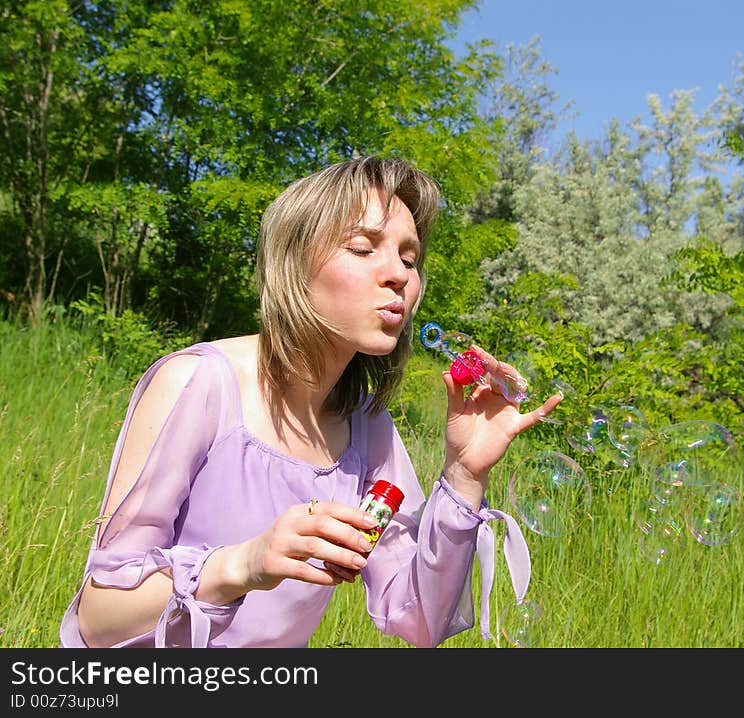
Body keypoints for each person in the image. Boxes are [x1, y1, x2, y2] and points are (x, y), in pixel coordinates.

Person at [59, 156, 561, 648]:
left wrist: (464, 476)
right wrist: (243, 564)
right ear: (294, 264)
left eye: (409, 259)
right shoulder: (199, 383)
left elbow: (420, 621)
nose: (399, 276)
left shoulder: (369, 428)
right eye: (363, 249)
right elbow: (99, 617)